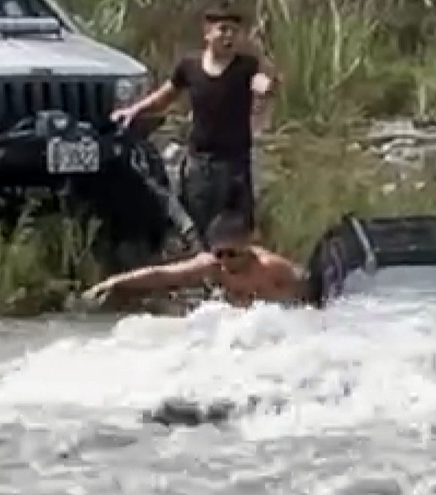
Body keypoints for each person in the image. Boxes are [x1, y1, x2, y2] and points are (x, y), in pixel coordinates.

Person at [111, 0, 279, 246]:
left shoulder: (246, 68)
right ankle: (204, 278)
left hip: (234, 164)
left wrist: (267, 87)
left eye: (234, 30)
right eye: (223, 29)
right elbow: (164, 97)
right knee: (199, 228)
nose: (229, 36)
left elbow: (264, 84)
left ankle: (235, 280)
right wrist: (133, 111)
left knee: (236, 230)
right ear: (207, 32)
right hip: (199, 162)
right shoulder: (189, 67)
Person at [81, 211, 307, 308]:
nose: (225, 261)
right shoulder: (212, 266)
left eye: (232, 254)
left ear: (247, 247)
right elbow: (162, 275)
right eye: (220, 254)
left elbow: (308, 289)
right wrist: (112, 282)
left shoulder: (271, 268)